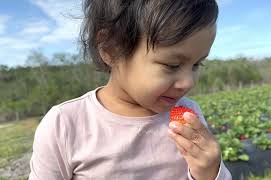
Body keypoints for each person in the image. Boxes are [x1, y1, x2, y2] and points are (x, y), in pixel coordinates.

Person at [29, 0, 232, 179]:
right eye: (172, 65)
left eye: (197, 64)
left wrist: (209, 172)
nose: (188, 82)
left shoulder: (189, 115)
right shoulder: (65, 125)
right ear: (111, 48)